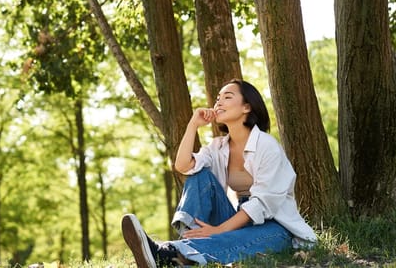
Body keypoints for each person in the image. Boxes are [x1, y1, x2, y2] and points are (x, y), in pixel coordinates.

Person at [122, 79, 317, 267]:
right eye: (217, 98)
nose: (218, 102)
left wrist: (218, 230)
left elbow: (261, 204)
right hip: (237, 217)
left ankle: (169, 254)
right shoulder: (218, 146)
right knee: (198, 173)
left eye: (227, 97)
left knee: (244, 235)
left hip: (275, 226)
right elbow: (183, 166)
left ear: (246, 107)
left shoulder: (267, 146)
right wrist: (193, 125)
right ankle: (183, 247)